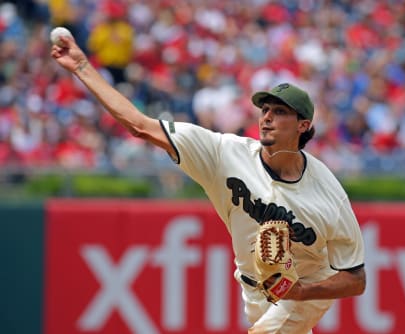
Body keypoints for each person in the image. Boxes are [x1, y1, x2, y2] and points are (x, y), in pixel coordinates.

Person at [51, 34, 366, 334]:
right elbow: (140, 125)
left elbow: (356, 279)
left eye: (280, 111)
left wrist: (301, 291)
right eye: (265, 109)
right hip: (253, 289)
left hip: (309, 282)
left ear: (303, 125)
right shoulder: (224, 154)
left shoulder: (328, 193)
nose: (267, 117)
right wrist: (82, 67)